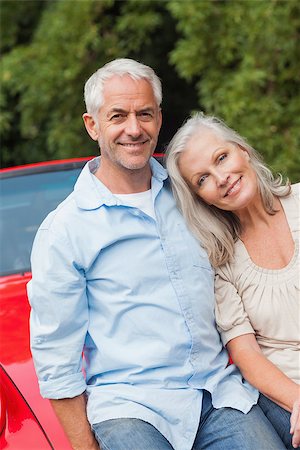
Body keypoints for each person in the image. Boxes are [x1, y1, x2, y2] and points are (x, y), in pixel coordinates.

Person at [28, 59, 287, 450]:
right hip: (131, 406)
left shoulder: (192, 194)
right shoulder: (65, 231)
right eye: (118, 116)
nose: (134, 128)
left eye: (144, 114)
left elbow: (259, 245)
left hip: (219, 394)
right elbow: (56, 359)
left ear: (159, 119)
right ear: (92, 125)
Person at [165, 112, 300, 449]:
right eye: (203, 179)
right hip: (285, 391)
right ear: (201, 199)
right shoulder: (221, 261)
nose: (222, 178)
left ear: (243, 150)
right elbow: (247, 355)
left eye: (222, 158)